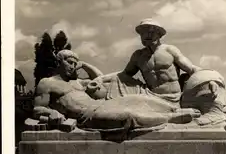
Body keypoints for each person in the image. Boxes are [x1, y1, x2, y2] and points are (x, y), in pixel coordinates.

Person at [33, 50, 200, 132]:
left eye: (74, 63)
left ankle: (176, 108)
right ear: (59, 62)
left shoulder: (78, 83)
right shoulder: (47, 83)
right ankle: (172, 118)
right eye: (69, 62)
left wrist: (84, 65)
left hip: (103, 104)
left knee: (138, 100)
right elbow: (37, 109)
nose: (72, 66)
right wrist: (51, 114)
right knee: (129, 116)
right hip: (88, 115)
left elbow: (100, 77)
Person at [118, 18, 204, 109]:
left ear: (159, 34)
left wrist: (211, 79)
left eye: (151, 32)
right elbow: (123, 76)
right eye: (144, 33)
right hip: (152, 99)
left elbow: (191, 69)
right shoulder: (138, 56)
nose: (148, 35)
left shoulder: (169, 50)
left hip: (175, 98)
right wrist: (102, 79)